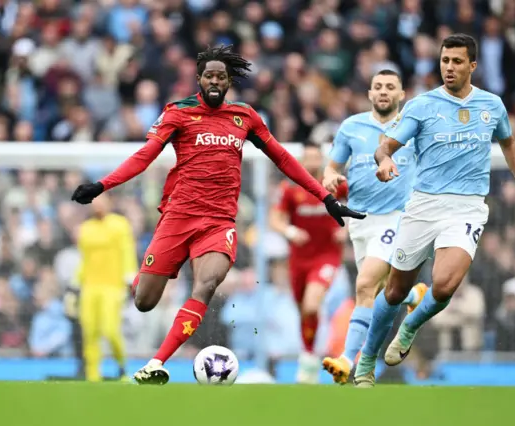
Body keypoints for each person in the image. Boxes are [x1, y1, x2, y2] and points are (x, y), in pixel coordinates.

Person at [70, 45, 365, 385]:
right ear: (199, 79)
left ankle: (154, 364)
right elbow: (146, 155)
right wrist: (102, 186)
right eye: (209, 75)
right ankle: (146, 277)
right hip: (178, 218)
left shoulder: (245, 116)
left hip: (219, 222)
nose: (215, 81)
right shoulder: (177, 113)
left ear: (228, 82)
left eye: (221, 77)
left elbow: (283, 158)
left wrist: (324, 197)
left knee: (206, 284)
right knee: (144, 301)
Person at [354, 34, 515, 387]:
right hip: (424, 204)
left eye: (456, 61)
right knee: (393, 292)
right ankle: (367, 362)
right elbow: (386, 145)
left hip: (466, 207)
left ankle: (409, 327)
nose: (448, 67)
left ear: (473, 65)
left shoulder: (491, 105)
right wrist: (385, 160)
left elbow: (509, 142)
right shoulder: (423, 105)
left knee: (444, 285)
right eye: (444, 61)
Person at [320, 70, 428, 384]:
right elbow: (332, 167)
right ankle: (412, 296)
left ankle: (347, 360)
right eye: (378, 87)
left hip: (398, 217)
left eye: (390, 87)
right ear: (369, 93)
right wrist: (330, 178)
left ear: (401, 94)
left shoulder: (411, 129)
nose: (383, 91)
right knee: (378, 291)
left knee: (365, 286)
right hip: (360, 221)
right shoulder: (351, 127)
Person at [270, 144, 348, 384]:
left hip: (326, 257)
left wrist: (348, 229)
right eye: (309, 158)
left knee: (311, 305)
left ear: (322, 161)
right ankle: (309, 357)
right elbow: (275, 219)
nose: (313, 162)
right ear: (302, 160)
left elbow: (359, 207)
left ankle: (309, 359)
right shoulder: (290, 189)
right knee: (303, 310)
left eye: (317, 158)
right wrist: (291, 232)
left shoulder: (337, 186)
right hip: (299, 259)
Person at [75, 193, 136, 382]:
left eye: (101, 199)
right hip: (90, 287)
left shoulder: (120, 225)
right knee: (90, 331)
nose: (97, 204)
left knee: (110, 330)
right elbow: (84, 260)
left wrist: (130, 279)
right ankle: (93, 376)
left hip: (113, 286)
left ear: (109, 202)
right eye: (94, 200)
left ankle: (122, 366)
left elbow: (127, 252)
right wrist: (75, 284)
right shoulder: (85, 229)